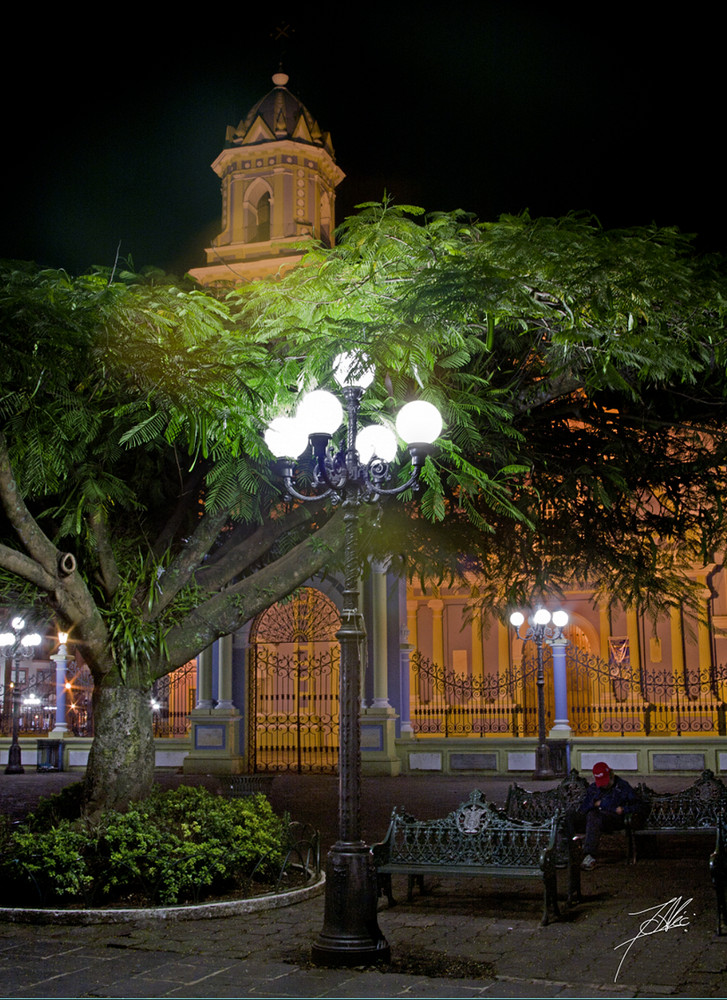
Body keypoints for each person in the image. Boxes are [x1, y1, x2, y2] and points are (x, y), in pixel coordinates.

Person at [577, 762, 644, 870]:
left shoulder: (622, 787)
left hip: (614, 819)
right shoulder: (594, 788)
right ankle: (563, 851)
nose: (603, 785)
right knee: (569, 817)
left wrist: (624, 809)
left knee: (593, 816)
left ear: (610, 775)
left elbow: (639, 805)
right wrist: (594, 804)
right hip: (593, 819)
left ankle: (589, 855)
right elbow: (583, 808)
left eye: (605, 781)